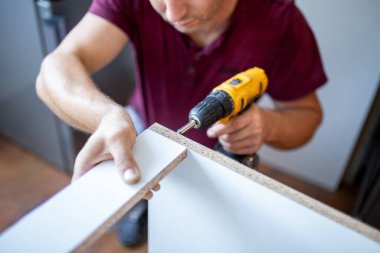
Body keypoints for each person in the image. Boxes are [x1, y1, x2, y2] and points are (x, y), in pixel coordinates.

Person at [36, 0, 327, 247]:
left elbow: (307, 115)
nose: (172, 14)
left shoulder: (281, 20)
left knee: (200, 233)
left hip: (221, 157)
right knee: (139, 184)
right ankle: (141, 210)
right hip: (142, 127)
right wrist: (106, 117)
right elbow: (55, 68)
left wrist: (268, 125)